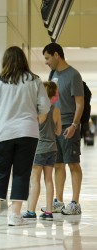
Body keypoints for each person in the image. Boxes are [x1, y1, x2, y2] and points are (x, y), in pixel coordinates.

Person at [0, 46, 51, 226]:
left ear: (5, 61)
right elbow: (45, 107)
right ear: (23, 60)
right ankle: (15, 215)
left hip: (3, 133)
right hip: (27, 132)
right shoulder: (34, 81)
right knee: (21, 173)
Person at [41, 43, 84, 215]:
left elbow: (79, 103)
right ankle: (58, 201)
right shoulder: (53, 74)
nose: (46, 62)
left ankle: (75, 203)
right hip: (54, 125)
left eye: (47, 58)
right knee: (57, 164)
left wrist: (74, 125)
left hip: (69, 125)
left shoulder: (73, 75)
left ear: (56, 55)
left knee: (72, 163)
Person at [23, 81, 61, 221]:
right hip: (52, 148)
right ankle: (49, 212)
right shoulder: (56, 110)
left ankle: (31, 211)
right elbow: (58, 132)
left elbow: (32, 128)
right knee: (49, 180)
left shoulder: (38, 110)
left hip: (38, 149)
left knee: (35, 180)